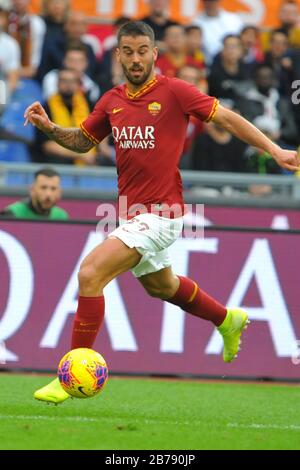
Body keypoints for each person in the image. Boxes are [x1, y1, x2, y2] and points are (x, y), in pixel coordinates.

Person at [24, 21, 299, 404]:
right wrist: (51, 127)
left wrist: (275, 149)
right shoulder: (111, 101)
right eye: (128, 52)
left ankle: (69, 375)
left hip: (161, 215)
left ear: (155, 54)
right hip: (131, 215)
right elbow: (83, 143)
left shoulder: (175, 91)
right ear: (117, 55)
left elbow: (227, 118)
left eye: (142, 51)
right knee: (162, 286)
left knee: (90, 274)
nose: (136, 59)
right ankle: (226, 319)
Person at [0, 167, 69, 219]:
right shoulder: (12, 213)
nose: (48, 194)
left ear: (60, 192)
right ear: (32, 190)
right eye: (43, 187)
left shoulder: (61, 216)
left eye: (53, 189)